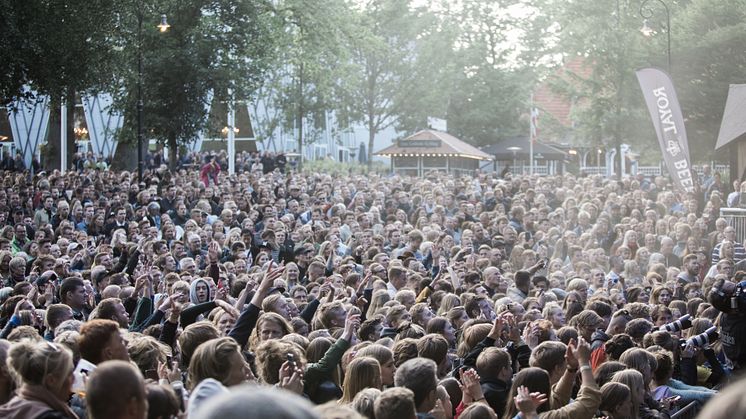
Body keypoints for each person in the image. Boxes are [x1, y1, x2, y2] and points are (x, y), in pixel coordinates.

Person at [0, 340, 77, 418]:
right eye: (69, 374)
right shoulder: (50, 416)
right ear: (51, 380)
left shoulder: (9, 408)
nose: (74, 379)